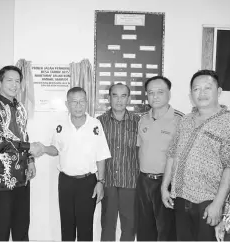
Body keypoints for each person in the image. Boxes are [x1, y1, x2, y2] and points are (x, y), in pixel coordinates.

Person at [34, 87, 111, 241]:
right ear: (67, 104)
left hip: (88, 182)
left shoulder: (95, 125)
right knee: (67, 225)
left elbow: (101, 155)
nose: (78, 105)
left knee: (85, 226)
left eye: (82, 101)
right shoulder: (60, 125)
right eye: (74, 102)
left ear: (87, 102)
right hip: (66, 181)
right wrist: (43, 148)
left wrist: (100, 181)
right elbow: (56, 149)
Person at [162, 70, 230, 241]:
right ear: (191, 94)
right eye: (196, 89)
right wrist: (165, 187)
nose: (202, 93)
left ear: (219, 92)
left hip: (208, 202)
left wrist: (218, 204)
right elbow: (172, 154)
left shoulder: (227, 123)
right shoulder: (185, 120)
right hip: (180, 198)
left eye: (208, 88)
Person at [0, 65, 38, 241]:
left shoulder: (21, 108)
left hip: (22, 178)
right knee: (2, 230)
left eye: (17, 81)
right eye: (9, 80)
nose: (14, 85)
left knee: (22, 228)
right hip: (2, 178)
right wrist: (28, 147)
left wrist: (30, 161)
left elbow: (24, 134)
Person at [136, 76, 182, 241]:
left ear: (169, 94)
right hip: (144, 181)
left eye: (160, 92)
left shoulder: (180, 120)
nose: (154, 96)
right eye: (150, 93)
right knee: (144, 229)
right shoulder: (143, 120)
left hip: (167, 183)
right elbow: (140, 149)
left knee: (166, 230)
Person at [97, 83, 140, 241]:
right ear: (109, 98)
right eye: (115, 95)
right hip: (107, 181)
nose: (119, 100)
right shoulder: (99, 122)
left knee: (129, 226)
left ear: (129, 98)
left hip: (131, 182)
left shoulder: (138, 122)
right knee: (107, 225)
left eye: (123, 96)